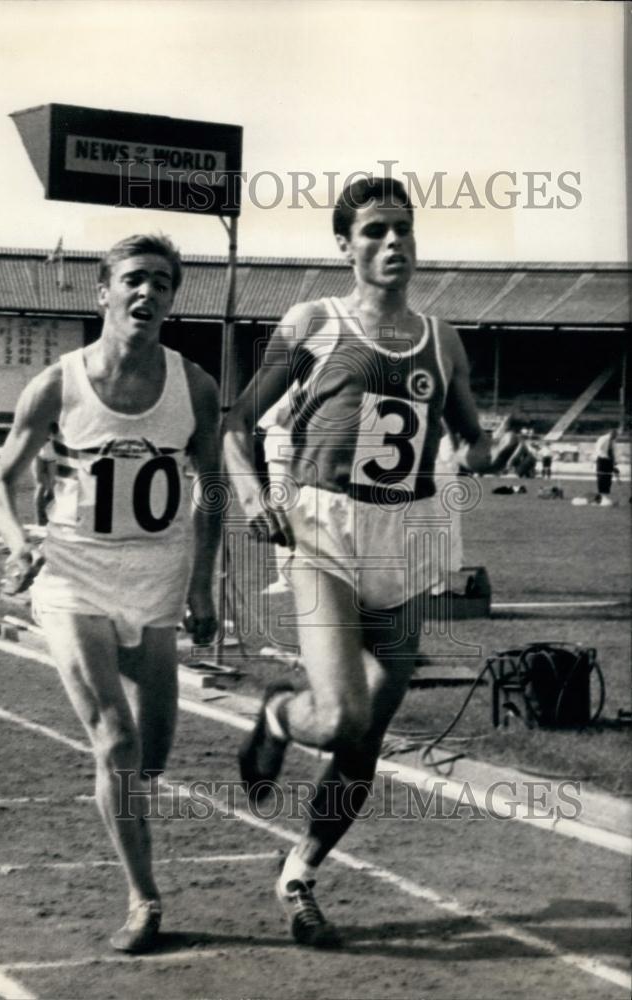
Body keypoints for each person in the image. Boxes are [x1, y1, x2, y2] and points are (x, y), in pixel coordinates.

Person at [223, 176, 491, 948]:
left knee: (364, 736)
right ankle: (279, 711)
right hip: (323, 529)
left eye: (402, 229)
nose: (391, 243)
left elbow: (469, 431)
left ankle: (300, 874)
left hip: (404, 538)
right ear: (345, 246)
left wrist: (480, 447)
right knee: (339, 713)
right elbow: (237, 423)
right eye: (373, 231)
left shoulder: (444, 340)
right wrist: (250, 499)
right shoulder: (313, 322)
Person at [0, 234, 222, 954]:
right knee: (115, 742)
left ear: (174, 297)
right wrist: (21, 543)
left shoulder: (196, 387)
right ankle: (144, 899)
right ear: (104, 292)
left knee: (149, 762)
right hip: (74, 574)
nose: (148, 293)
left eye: (162, 282)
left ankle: (125, 826)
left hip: (158, 579)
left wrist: (205, 585)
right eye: (133, 280)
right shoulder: (58, 384)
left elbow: (211, 491)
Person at [31, 423, 59, 526]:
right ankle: (40, 520)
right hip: (39, 455)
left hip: (52, 456)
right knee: (40, 486)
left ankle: (49, 518)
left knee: (51, 488)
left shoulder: (55, 423)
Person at [594, 427, 619, 505]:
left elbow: (614, 451)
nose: (615, 437)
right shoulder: (603, 439)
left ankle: (605, 495)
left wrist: (615, 461)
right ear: (611, 433)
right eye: (614, 435)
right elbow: (598, 449)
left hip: (609, 461)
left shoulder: (613, 441)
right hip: (602, 460)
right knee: (602, 478)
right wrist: (605, 457)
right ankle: (601, 495)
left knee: (608, 478)